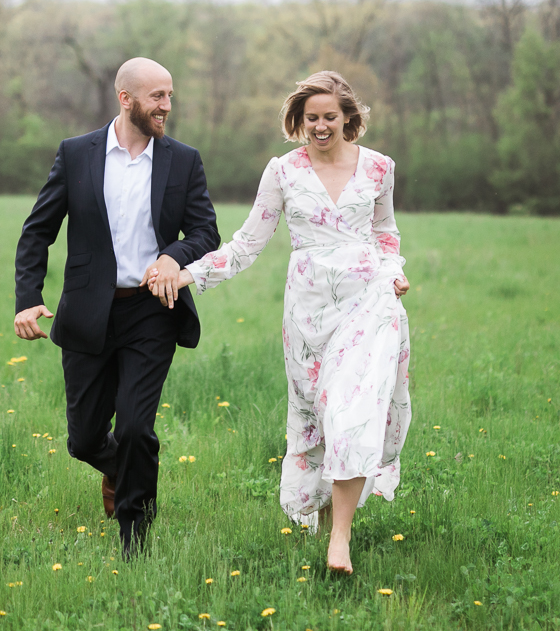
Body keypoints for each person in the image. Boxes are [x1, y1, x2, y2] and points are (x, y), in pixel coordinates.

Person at [150, 70, 411, 574]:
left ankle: (341, 538)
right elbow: (247, 243)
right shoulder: (283, 172)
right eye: (310, 117)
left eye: (329, 117)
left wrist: (394, 272)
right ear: (299, 120)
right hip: (309, 309)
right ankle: (311, 510)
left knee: (351, 410)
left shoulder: (379, 168)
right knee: (316, 417)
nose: (319, 126)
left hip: (371, 302)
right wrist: (188, 275)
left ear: (348, 118)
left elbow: (385, 233)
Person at [14, 57, 220, 559]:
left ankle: (136, 538)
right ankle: (119, 467)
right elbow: (38, 229)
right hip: (87, 312)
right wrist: (28, 300)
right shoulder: (77, 154)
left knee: (133, 427)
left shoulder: (183, 160)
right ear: (126, 99)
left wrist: (173, 256)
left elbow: (205, 233)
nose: (166, 106)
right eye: (157, 97)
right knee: (84, 440)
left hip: (152, 311)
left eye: (170, 96)